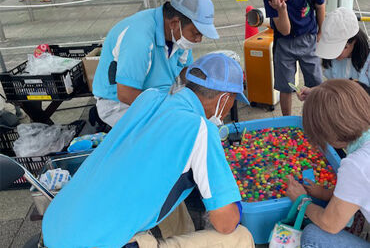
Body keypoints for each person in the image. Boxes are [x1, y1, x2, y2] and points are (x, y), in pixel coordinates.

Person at [42, 53, 254, 248]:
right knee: (240, 237)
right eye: (233, 101)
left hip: (56, 227)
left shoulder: (149, 97)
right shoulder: (200, 128)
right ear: (225, 98)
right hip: (102, 244)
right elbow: (226, 222)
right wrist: (233, 201)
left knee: (171, 186)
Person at [93, 0, 219, 127]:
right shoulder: (139, 39)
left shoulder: (178, 35)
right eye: (196, 33)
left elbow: (185, 71)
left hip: (158, 93)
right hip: (119, 102)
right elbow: (125, 93)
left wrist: (204, 90)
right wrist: (168, 111)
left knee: (189, 119)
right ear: (175, 24)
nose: (198, 40)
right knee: (167, 132)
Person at [286, 79, 370, 248]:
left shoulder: (356, 164)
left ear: (329, 135)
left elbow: (330, 224)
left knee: (312, 235)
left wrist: (302, 201)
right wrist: (325, 193)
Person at [255, 0, 325, 116]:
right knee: (285, 86)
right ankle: (286, 120)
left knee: (316, 83)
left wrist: (321, 32)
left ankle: (318, 117)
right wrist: (281, 10)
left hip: (308, 38)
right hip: (284, 43)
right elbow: (285, 31)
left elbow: (320, 6)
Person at [297, 7, 370, 101]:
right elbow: (332, 87)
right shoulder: (333, 61)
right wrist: (314, 92)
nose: (334, 56)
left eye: (337, 50)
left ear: (353, 42)